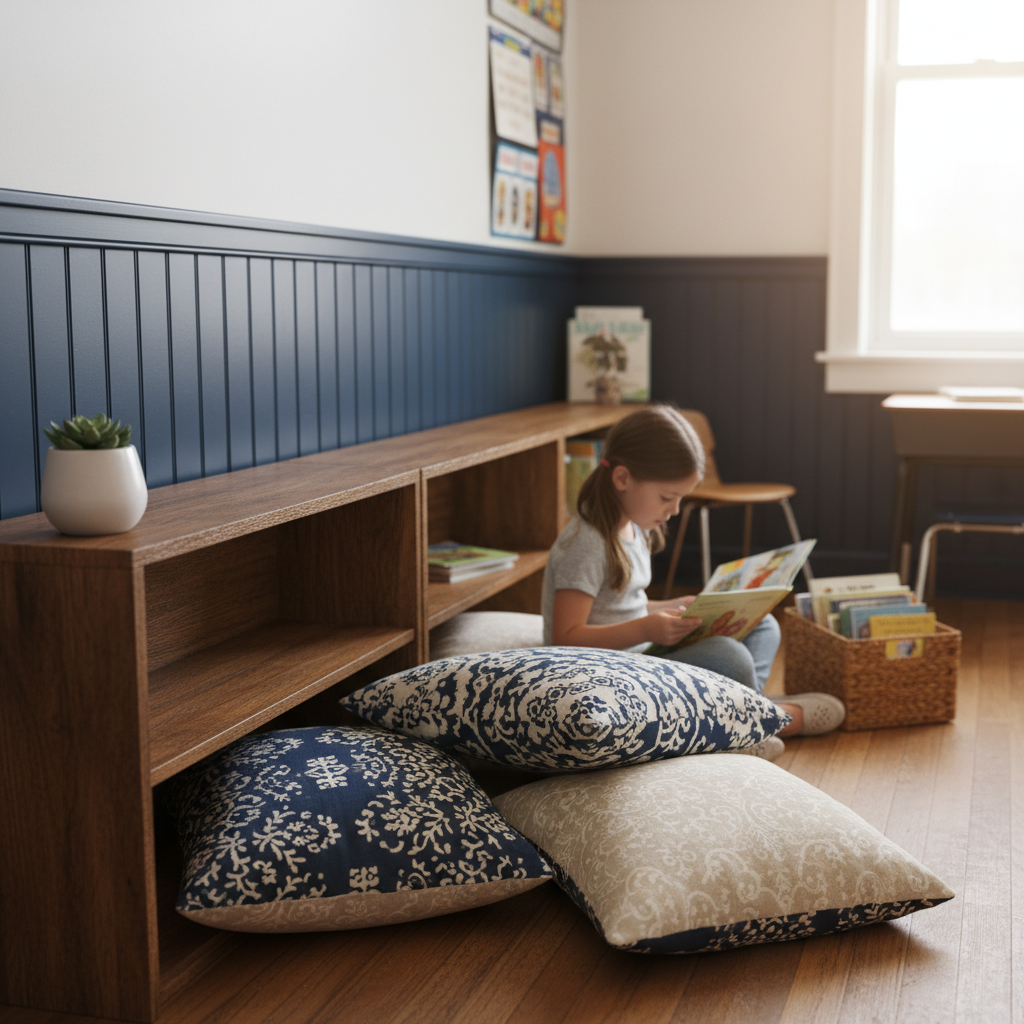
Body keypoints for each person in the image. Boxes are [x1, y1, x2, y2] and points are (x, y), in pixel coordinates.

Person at [541, 404, 844, 758]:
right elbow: (565, 638)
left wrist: (666, 608)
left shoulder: (630, 524)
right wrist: (646, 629)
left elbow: (617, 605)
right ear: (622, 479)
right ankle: (765, 719)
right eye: (667, 498)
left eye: (680, 499)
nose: (673, 510)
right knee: (728, 656)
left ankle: (747, 716)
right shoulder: (586, 543)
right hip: (609, 669)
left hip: (639, 652)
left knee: (764, 627)